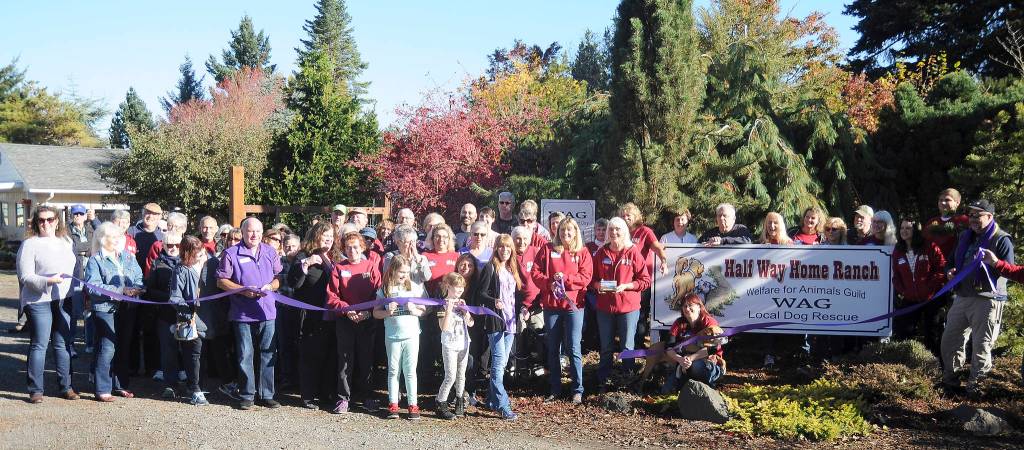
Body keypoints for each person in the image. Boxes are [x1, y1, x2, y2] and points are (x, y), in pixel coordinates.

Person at [941, 199, 1014, 395]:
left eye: (977, 215)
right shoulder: (965, 236)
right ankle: (951, 383)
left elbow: (1011, 271)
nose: (972, 219)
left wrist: (994, 263)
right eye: (971, 215)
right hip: (962, 296)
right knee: (950, 340)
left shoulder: (1001, 239)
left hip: (987, 300)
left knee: (982, 346)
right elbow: (949, 263)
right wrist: (950, 271)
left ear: (990, 217)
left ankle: (977, 389)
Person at [216, 217, 283, 410]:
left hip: (267, 311)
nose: (254, 235)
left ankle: (266, 394)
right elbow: (221, 281)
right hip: (242, 313)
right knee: (245, 354)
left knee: (268, 354)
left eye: (258, 231)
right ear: (243, 232)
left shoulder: (270, 252)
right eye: (250, 231)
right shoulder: (231, 253)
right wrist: (242, 290)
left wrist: (271, 285)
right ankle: (247, 395)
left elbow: (279, 277)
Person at [18, 205, 79, 403]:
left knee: (63, 344)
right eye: (41, 220)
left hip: (63, 299)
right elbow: (25, 276)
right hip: (38, 300)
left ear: (57, 221)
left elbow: (76, 268)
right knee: (40, 344)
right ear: (36, 223)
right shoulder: (29, 244)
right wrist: (48, 281)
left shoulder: (67, 241)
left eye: (50, 219)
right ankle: (36, 390)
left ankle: (66, 387)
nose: (46, 223)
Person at [529, 218, 593, 403]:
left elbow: (586, 276)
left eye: (569, 230)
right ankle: (555, 388)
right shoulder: (548, 249)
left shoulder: (582, 252)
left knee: (573, 347)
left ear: (575, 232)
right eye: (563, 230)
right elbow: (535, 273)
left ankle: (577, 389)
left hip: (574, 307)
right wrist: (550, 283)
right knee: (553, 349)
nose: (565, 233)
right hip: (552, 307)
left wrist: (565, 280)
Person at [84, 222, 144, 402]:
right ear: (103, 239)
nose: (119, 240)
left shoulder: (128, 257)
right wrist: (119, 290)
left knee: (124, 345)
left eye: (120, 236)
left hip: (127, 307)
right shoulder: (96, 260)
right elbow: (93, 286)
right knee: (108, 346)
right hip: (105, 308)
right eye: (114, 237)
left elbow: (139, 276)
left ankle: (120, 385)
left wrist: (136, 288)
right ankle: (102, 388)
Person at [591, 217, 652, 393]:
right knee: (606, 347)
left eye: (618, 229)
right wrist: (597, 286)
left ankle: (628, 382)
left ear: (624, 231)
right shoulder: (601, 253)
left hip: (628, 307)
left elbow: (645, 280)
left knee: (627, 346)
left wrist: (628, 286)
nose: (614, 232)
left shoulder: (633, 252)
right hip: (605, 308)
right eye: (611, 229)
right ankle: (603, 382)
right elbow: (591, 279)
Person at [326, 231, 383, 414]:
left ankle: (366, 396)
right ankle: (343, 398)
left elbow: (379, 293)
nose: (352, 251)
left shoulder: (371, 266)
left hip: (367, 320)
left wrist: (368, 313)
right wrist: (345, 309)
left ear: (362, 248)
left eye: (356, 247)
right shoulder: (338, 269)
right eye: (348, 247)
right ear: (344, 249)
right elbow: (332, 296)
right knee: (345, 361)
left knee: (366, 359)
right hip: (345, 321)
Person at [288, 223, 337, 410]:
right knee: (310, 356)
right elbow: (294, 283)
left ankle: (324, 394)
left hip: (328, 316)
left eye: (331, 235)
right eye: (325, 235)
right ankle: (307, 396)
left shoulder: (332, 257)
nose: (329, 238)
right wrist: (306, 264)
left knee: (328, 355)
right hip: (309, 316)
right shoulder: (303, 255)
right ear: (315, 235)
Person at [373, 255, 427, 420]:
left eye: (406, 272)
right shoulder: (385, 289)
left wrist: (414, 310)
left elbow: (424, 311)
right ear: (393, 270)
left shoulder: (415, 287)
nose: (404, 275)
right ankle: (393, 403)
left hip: (411, 335)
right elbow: (376, 312)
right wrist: (388, 312)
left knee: (410, 371)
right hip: (392, 335)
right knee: (393, 370)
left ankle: (412, 404)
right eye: (401, 272)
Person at [474, 235, 521, 420]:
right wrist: (494, 302)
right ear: (496, 248)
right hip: (496, 321)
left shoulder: (512, 268)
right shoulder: (490, 267)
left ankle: (491, 400)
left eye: (508, 247)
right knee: (499, 362)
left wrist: (524, 309)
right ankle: (503, 405)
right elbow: (480, 294)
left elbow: (519, 294)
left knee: (500, 364)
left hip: (511, 322)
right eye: (501, 247)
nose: (505, 250)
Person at [166, 235, 214, 406]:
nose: (200, 256)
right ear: (187, 254)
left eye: (201, 252)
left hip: (208, 319)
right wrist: (188, 311)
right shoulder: (181, 270)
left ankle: (201, 385)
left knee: (204, 355)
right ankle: (195, 389)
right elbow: (174, 297)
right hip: (191, 321)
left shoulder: (209, 265)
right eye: (196, 254)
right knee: (193, 355)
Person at [891, 219, 947, 349]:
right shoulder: (898, 250)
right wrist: (904, 291)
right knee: (903, 331)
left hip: (931, 298)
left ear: (915, 230)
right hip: (910, 299)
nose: (904, 231)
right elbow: (896, 277)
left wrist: (930, 287)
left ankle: (934, 363)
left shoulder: (929, 246)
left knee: (932, 333)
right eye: (902, 228)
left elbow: (941, 268)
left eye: (908, 228)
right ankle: (905, 363)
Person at [658, 294, 727, 390]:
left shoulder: (709, 322)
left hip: (707, 362)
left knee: (695, 366)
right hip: (684, 362)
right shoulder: (678, 323)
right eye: (684, 306)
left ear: (699, 307)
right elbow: (668, 347)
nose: (687, 308)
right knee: (665, 390)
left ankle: (708, 385)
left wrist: (690, 358)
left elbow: (713, 348)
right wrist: (680, 360)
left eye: (690, 305)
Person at [146, 232, 186, 397]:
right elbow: (150, 290)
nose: (174, 248)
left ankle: (192, 384)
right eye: (170, 245)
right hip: (165, 314)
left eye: (177, 245)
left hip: (185, 315)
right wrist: (169, 298)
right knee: (168, 350)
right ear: (163, 246)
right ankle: (170, 384)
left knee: (188, 349)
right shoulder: (157, 263)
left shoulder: (188, 262)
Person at [435, 273, 474, 420]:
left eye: (462, 287)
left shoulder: (462, 302)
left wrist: (466, 312)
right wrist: (449, 310)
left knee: (461, 374)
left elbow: (471, 323)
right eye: (457, 287)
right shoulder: (442, 304)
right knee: (450, 375)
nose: (460, 290)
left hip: (464, 342)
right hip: (449, 344)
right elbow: (443, 328)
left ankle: (459, 402)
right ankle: (441, 402)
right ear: (448, 287)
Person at [68, 204, 94, 357]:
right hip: (75, 275)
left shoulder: (91, 229)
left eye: (81, 214)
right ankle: (70, 344)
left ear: (85, 216)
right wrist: (85, 249)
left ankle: (89, 343)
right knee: (73, 311)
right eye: (75, 214)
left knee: (90, 311)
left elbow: (93, 247)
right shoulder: (67, 231)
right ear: (72, 215)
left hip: (91, 275)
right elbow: (73, 249)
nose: (78, 216)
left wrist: (83, 250)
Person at [924, 188, 970, 261]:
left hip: (955, 267)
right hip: (933, 268)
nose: (943, 203)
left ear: (957, 203)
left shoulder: (963, 221)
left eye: (947, 200)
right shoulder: (931, 223)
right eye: (940, 200)